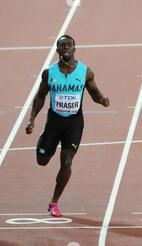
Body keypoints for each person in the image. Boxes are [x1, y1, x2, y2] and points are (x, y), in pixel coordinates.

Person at [25, 35, 110, 217]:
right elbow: (40, 96)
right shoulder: (49, 73)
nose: (65, 47)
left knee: (66, 161)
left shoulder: (85, 72)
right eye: (62, 44)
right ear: (57, 50)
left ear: (74, 49)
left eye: (69, 44)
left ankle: (54, 202)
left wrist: (102, 100)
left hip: (74, 123)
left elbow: (94, 93)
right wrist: (31, 119)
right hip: (54, 122)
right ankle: (45, 143)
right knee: (42, 160)